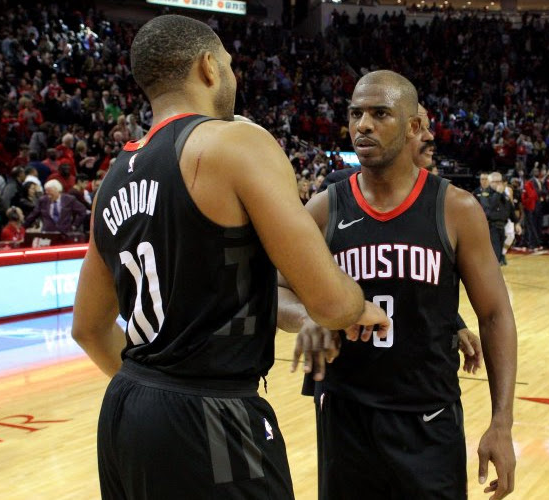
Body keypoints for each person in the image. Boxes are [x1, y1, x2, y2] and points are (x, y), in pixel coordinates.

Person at [71, 15, 388, 500]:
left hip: (124, 413)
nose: (234, 77)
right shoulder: (235, 141)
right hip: (212, 412)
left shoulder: (113, 176)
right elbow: (329, 302)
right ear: (207, 67)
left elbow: (88, 329)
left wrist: (157, 394)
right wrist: (359, 307)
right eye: (230, 65)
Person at [278, 71, 516, 500]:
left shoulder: (456, 209)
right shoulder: (324, 208)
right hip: (345, 417)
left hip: (428, 417)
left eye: (379, 113)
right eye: (355, 114)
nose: (362, 125)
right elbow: (275, 289)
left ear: (412, 128)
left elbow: (496, 314)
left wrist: (501, 423)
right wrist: (308, 316)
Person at [480, 172, 521, 265]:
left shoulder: (503, 195)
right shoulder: (486, 194)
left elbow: (510, 209)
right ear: (490, 182)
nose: (499, 184)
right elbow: (490, 208)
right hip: (491, 227)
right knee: (495, 251)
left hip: (501, 226)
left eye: (500, 181)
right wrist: (498, 193)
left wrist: (516, 223)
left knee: (499, 253)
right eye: (496, 182)